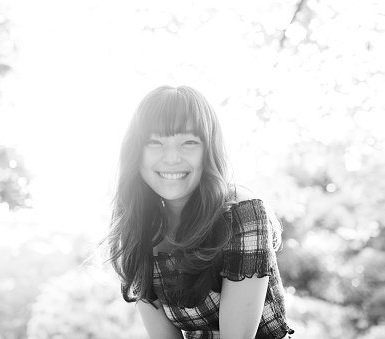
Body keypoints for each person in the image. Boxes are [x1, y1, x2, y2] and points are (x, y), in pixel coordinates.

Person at [105, 85, 294, 339]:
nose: (172, 158)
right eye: (155, 141)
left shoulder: (241, 214)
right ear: (136, 152)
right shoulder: (138, 231)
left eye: (189, 142)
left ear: (208, 150)